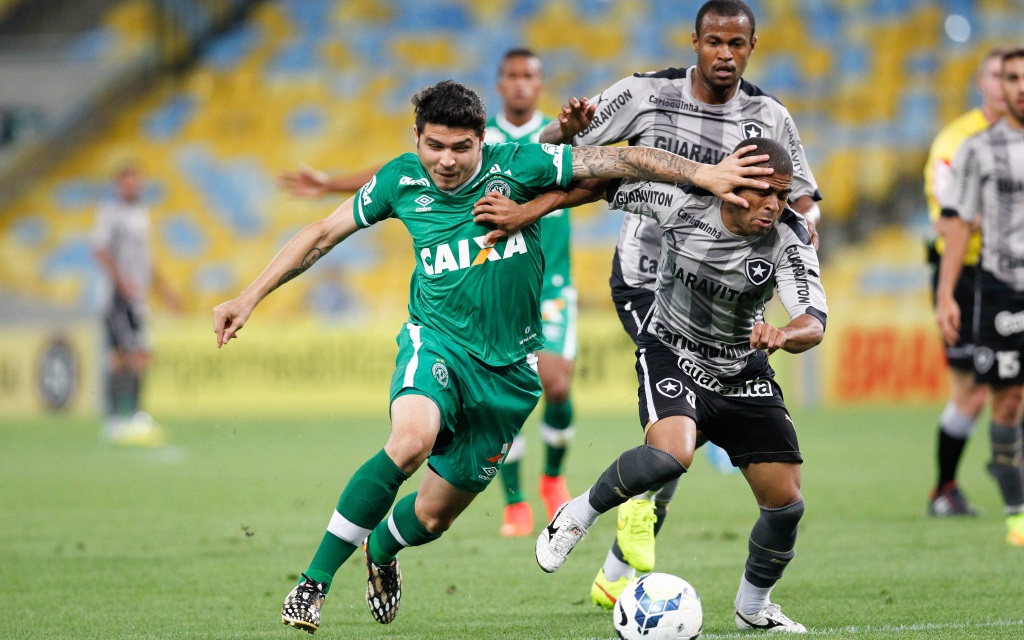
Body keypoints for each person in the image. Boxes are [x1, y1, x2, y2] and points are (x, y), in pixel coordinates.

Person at [213, 79, 772, 634]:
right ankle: (313, 584)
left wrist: (706, 175)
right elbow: (320, 234)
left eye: (461, 147)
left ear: (483, 141)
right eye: (435, 146)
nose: (447, 161)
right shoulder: (400, 179)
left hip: (507, 375)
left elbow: (621, 158)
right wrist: (248, 296)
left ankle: (381, 550)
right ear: (417, 139)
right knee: (410, 441)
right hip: (436, 342)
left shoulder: (520, 165)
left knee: (432, 517)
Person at [537, 0, 822, 608]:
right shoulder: (643, 95)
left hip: (734, 312)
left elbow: (802, 197)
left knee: (698, 449)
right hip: (648, 279)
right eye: (714, 42)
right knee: (675, 435)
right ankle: (627, 507)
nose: (725, 54)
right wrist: (561, 135)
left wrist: (801, 228)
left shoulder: (770, 117)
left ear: (751, 47)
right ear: (694, 42)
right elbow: (571, 163)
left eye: (737, 45)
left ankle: (619, 567)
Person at [278, 48, 580, 539]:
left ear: (541, 83)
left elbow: (603, 171)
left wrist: (535, 198)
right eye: (513, 76)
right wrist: (333, 184)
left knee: (557, 385)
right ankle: (516, 500)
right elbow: (403, 172)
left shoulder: (550, 134)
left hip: (549, 286)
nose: (522, 84)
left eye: (531, 76)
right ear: (500, 84)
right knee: (421, 440)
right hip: (465, 307)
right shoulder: (466, 145)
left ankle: (552, 477)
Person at [936, 47, 1024, 547]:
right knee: (1006, 400)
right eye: (1011, 78)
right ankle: (1017, 514)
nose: (1019, 87)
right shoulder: (976, 149)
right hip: (1001, 288)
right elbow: (959, 224)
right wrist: (946, 294)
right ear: (999, 86)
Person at [922, 48, 1007, 517]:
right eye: (1000, 77)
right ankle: (945, 490)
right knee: (972, 391)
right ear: (982, 83)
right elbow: (950, 221)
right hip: (969, 276)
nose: (1010, 86)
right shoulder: (956, 141)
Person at [91, 163, 176, 447]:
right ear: (118, 184)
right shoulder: (110, 213)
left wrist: (164, 290)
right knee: (120, 357)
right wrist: (121, 282)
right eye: (127, 182)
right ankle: (116, 419)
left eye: (136, 181)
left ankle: (134, 416)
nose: (133, 186)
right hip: (116, 297)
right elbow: (100, 250)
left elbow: (145, 259)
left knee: (139, 353)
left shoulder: (141, 214)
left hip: (137, 298)